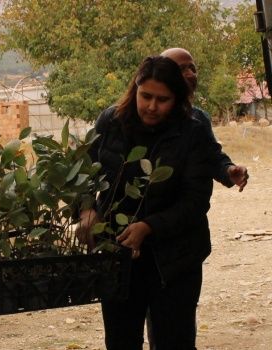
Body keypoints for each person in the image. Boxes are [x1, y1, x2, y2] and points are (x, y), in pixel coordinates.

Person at [79, 56, 213, 350]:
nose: (152, 106)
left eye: (162, 99)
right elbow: (85, 173)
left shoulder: (192, 131)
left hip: (175, 260)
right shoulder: (110, 121)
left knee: (173, 341)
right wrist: (88, 208)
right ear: (134, 90)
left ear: (176, 99)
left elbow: (195, 201)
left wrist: (148, 226)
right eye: (146, 96)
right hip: (118, 255)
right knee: (121, 340)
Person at [161, 47, 249, 191]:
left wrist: (228, 170)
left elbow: (211, 158)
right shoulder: (137, 117)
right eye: (181, 69)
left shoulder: (199, 119)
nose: (190, 74)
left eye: (192, 68)